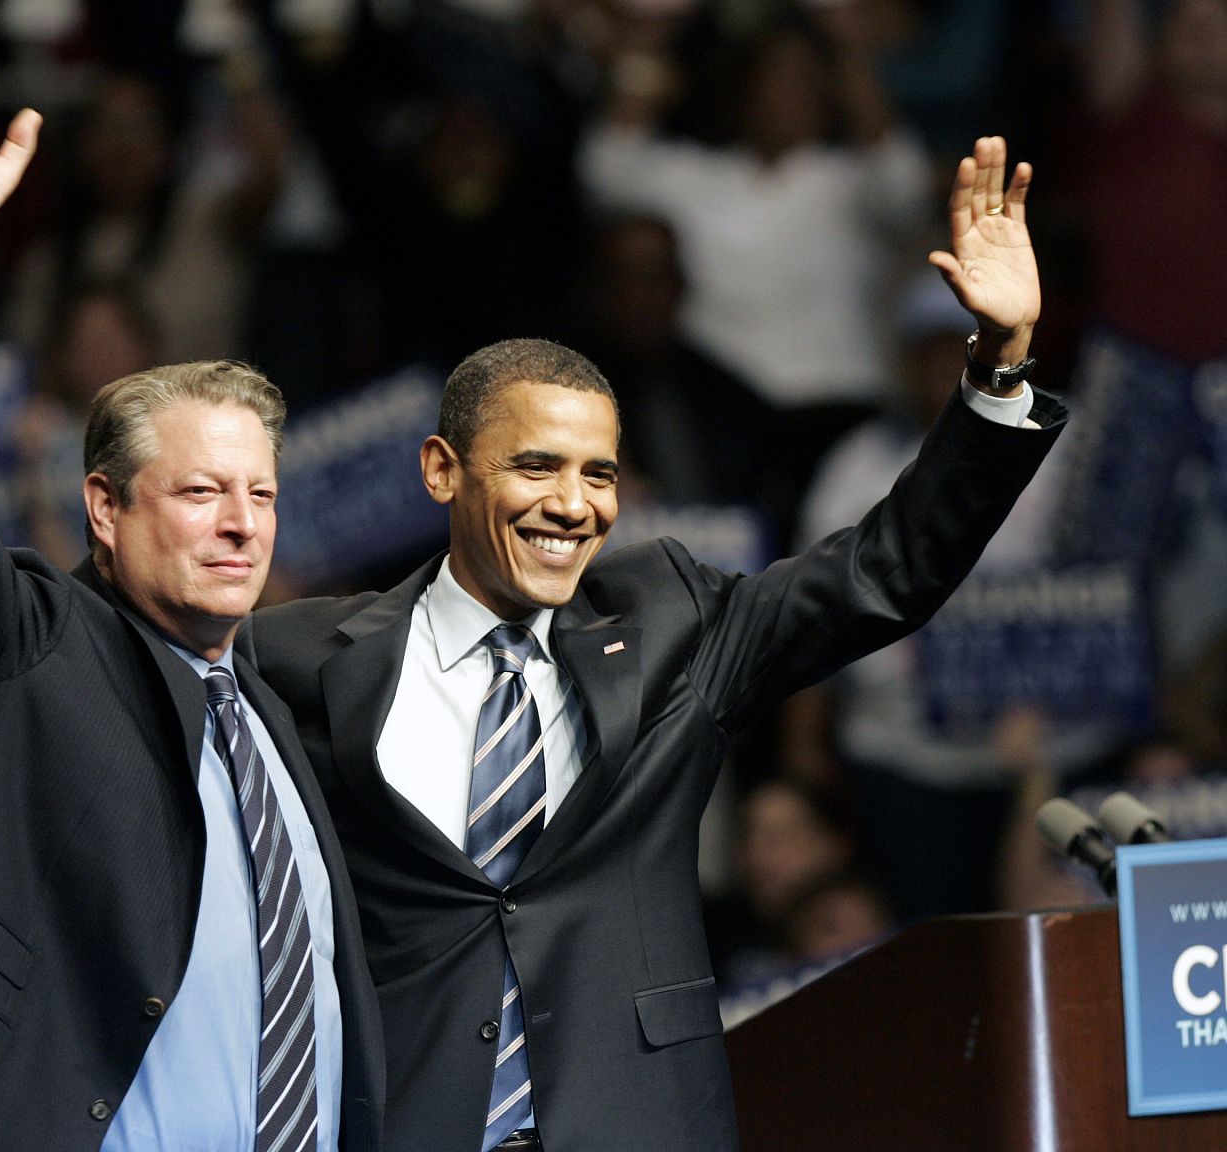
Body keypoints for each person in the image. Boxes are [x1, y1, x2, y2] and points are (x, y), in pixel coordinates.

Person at [237, 135, 1066, 1150]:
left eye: (599, 474)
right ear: (442, 470)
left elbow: (882, 571)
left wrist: (999, 370)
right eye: (537, 466)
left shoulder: (673, 625)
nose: (573, 505)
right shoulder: (300, 660)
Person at [0, 28, 383, 1152]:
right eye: (200, 491)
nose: (238, 523)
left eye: (260, 496)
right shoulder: (33, 648)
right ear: (106, 510)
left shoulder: (269, 717)